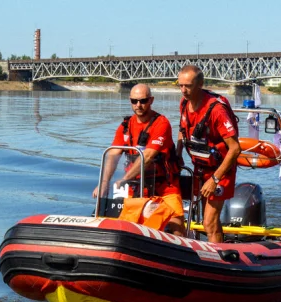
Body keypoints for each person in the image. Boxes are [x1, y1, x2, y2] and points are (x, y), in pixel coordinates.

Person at [93, 83, 184, 235]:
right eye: (134, 101)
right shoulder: (125, 126)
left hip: (164, 186)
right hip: (135, 187)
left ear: (151, 100)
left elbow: (148, 156)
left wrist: (124, 179)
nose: (138, 105)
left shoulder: (161, 123)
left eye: (143, 101)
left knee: (177, 227)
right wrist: (104, 183)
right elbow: (113, 154)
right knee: (123, 227)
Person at [176, 65, 241, 243]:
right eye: (180, 85)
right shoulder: (184, 103)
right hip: (200, 167)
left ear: (200, 84)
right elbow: (183, 128)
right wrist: (178, 151)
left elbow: (235, 148)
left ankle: (218, 262)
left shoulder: (216, 111)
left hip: (220, 170)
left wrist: (215, 179)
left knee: (209, 222)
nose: (183, 90)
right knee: (205, 221)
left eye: (187, 86)